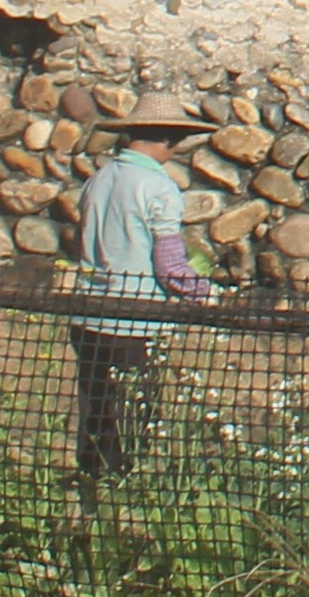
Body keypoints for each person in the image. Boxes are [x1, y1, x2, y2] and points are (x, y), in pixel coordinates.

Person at [69, 109, 213, 487]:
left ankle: (90, 489)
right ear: (165, 140)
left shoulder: (98, 180)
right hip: (133, 320)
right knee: (132, 423)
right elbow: (169, 267)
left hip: (88, 315)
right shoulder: (158, 187)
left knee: (96, 413)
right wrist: (206, 290)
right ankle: (127, 493)